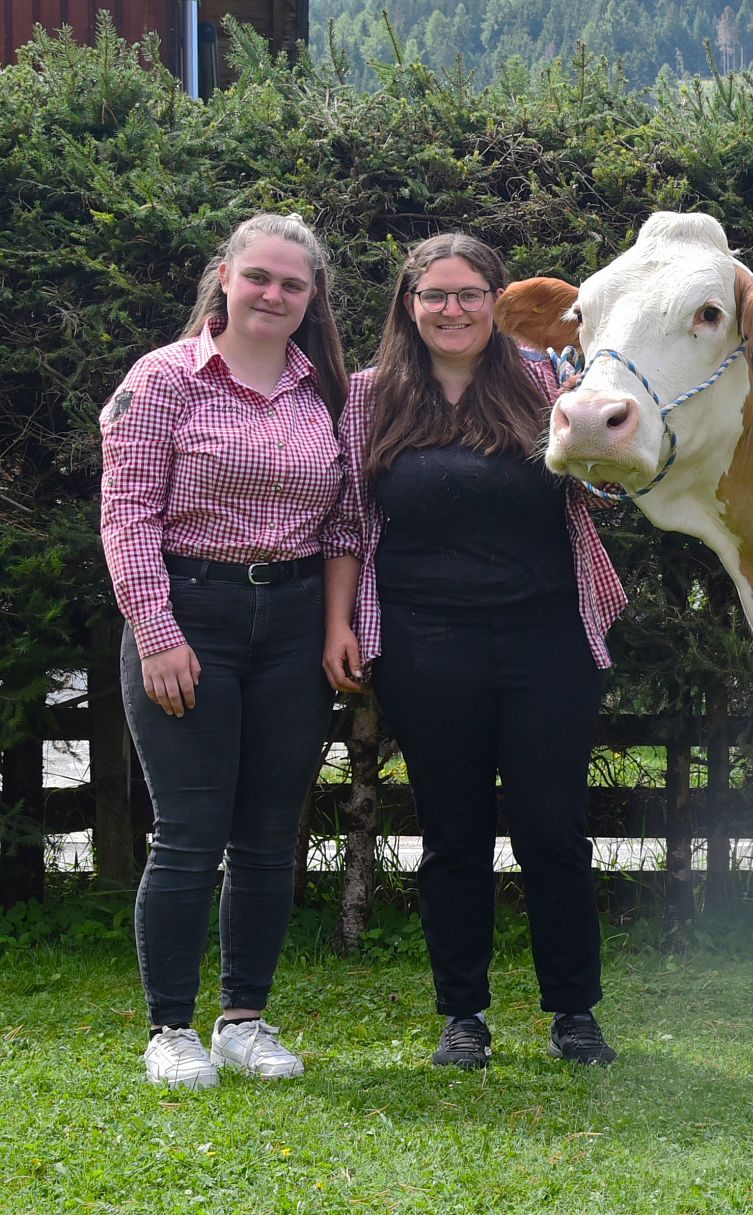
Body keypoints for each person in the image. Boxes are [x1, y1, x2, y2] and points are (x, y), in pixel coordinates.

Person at [324, 233, 627, 1069]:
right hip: (424, 645)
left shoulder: (547, 379)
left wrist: (599, 436)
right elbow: (347, 521)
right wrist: (339, 623)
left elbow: (607, 485)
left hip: (547, 639)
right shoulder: (369, 397)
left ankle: (575, 1012)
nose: (451, 309)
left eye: (469, 294)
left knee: (553, 828)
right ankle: (464, 1016)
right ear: (409, 304)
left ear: (497, 302)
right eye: (434, 294)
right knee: (452, 833)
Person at [100, 212, 351, 1089]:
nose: (273, 295)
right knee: (189, 831)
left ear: (311, 297)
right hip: (190, 612)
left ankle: (244, 1021)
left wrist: (335, 624)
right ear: (226, 279)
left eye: (293, 284)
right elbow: (127, 514)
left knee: (269, 833)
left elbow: (345, 523)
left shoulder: (325, 393)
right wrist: (157, 631)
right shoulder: (163, 378)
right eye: (260, 277)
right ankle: (170, 1028)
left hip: (293, 623)